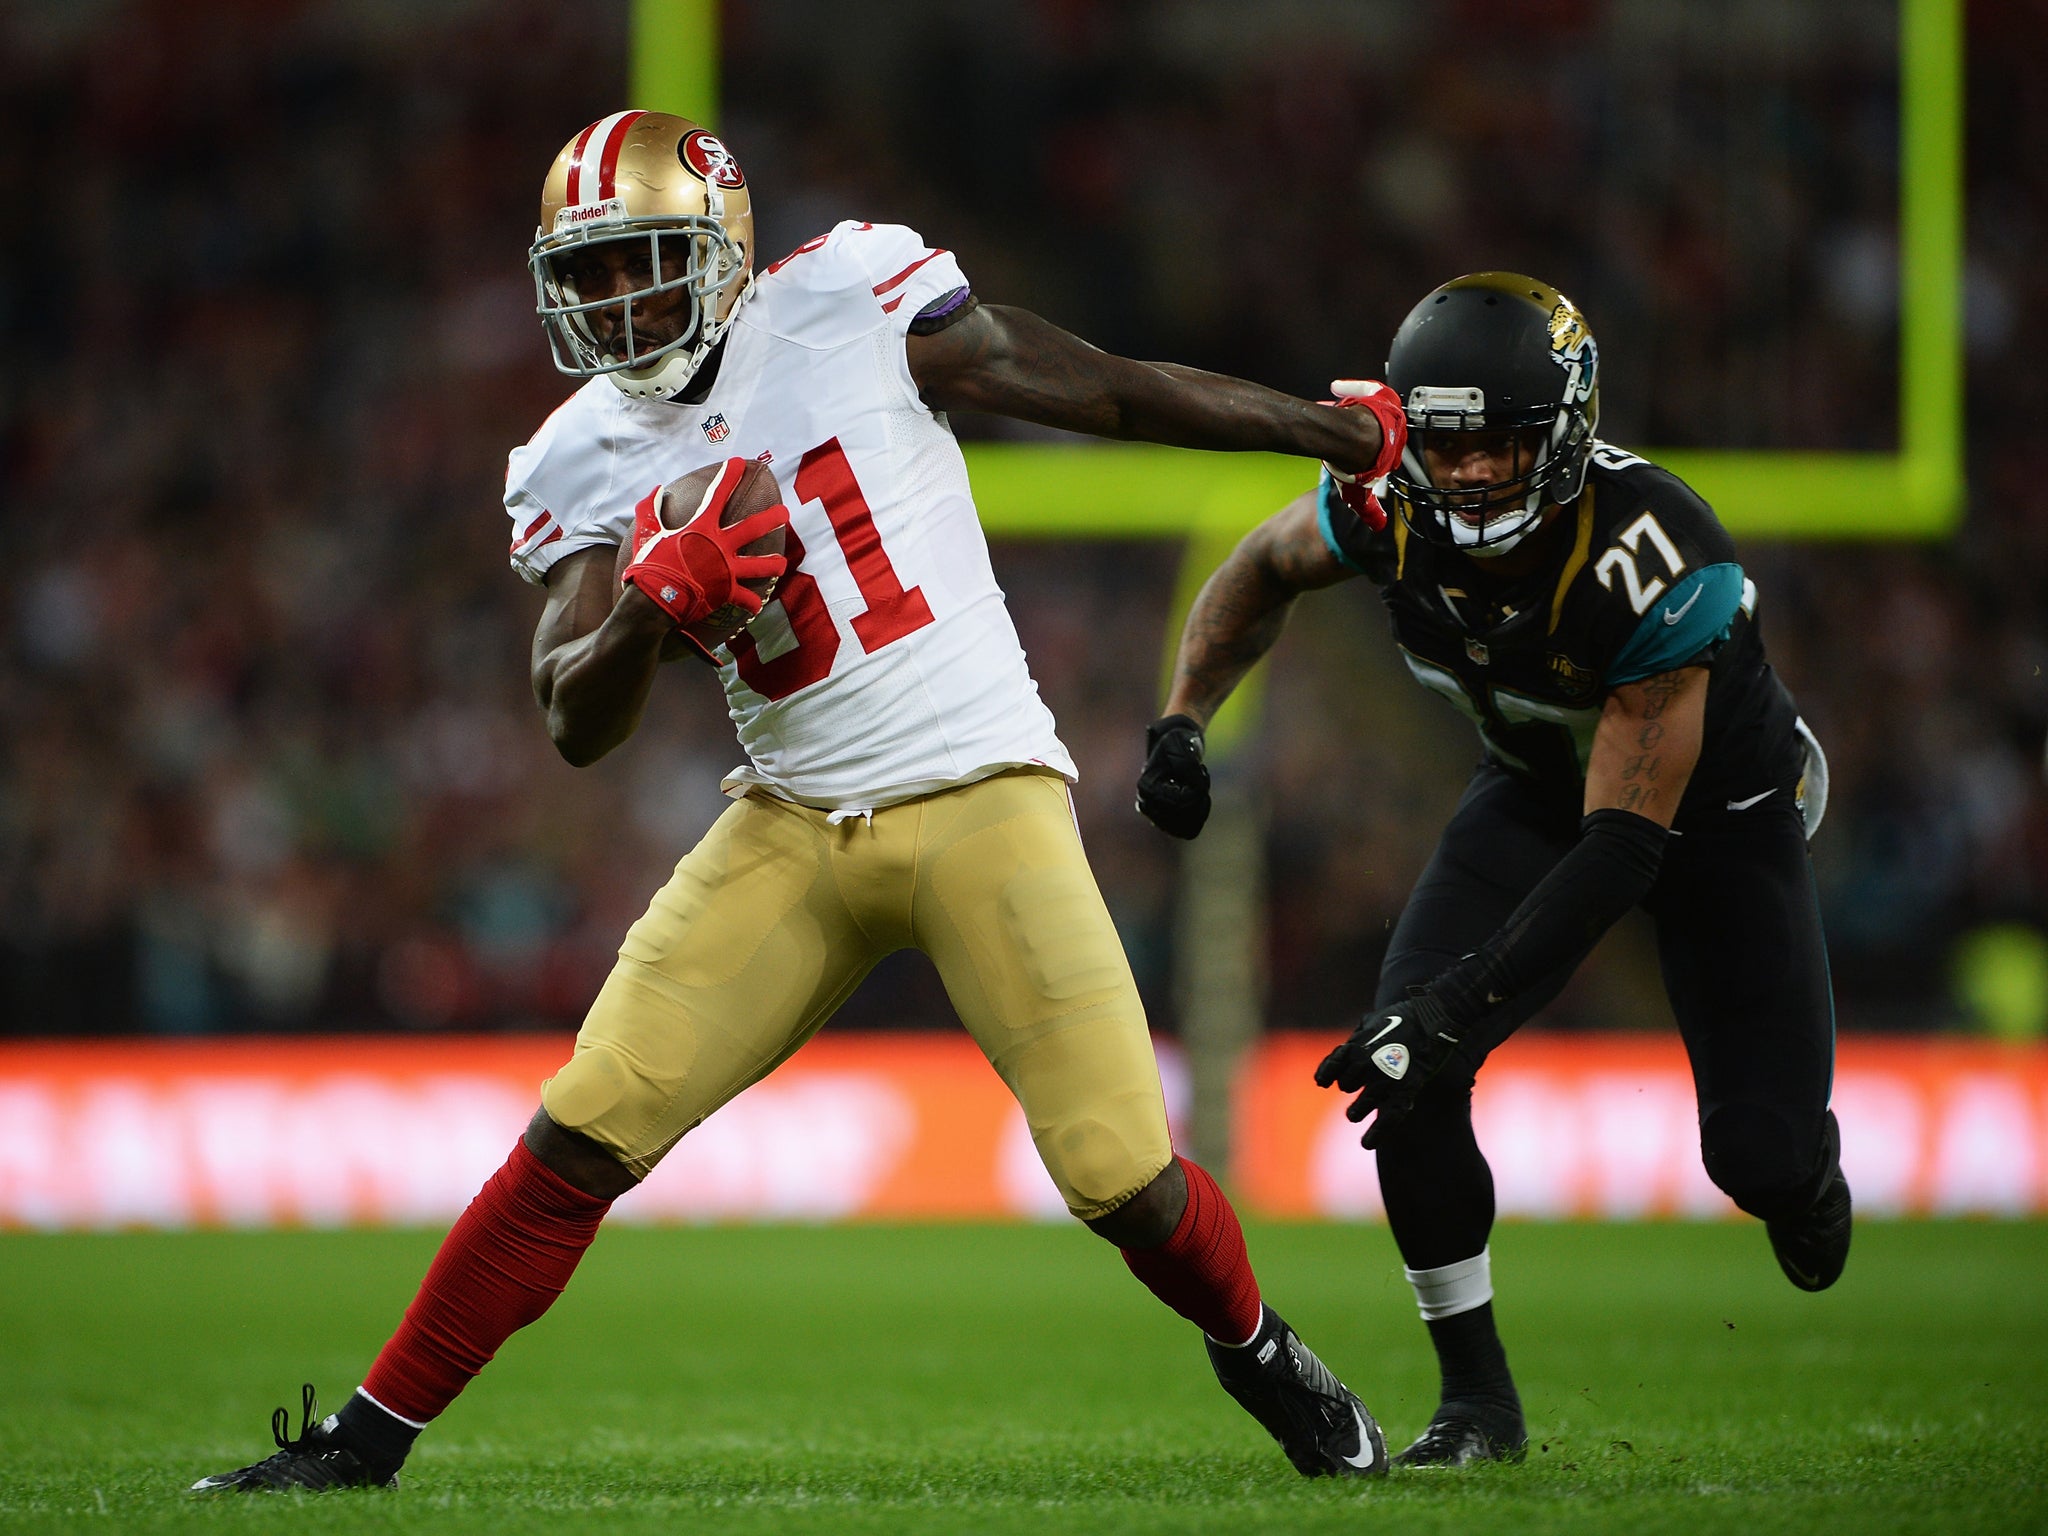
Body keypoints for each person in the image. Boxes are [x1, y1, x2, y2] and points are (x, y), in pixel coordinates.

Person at [192, 110, 1407, 1493]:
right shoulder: (579, 452)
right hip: (789, 820)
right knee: (581, 1128)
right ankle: (360, 1447)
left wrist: (1334, 434)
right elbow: (571, 720)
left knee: (1119, 1173)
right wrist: (651, 615)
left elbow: (1109, 392)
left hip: (980, 794)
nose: (608, 298)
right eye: (582, 273)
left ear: (721, 247)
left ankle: (1268, 1357)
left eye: (637, 260)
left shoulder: (842, 301)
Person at [1136, 272, 1849, 1468]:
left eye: (1501, 444)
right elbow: (1257, 569)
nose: (1467, 474)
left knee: (1758, 1159)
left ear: (1563, 434)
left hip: (1714, 815)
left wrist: (1457, 1005)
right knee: (1400, 1068)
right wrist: (1183, 719)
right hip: (1532, 783)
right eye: (1448, 444)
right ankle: (1477, 1405)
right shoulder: (1379, 506)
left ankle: (1803, 1180)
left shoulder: (1652, 551)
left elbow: (1624, 845)